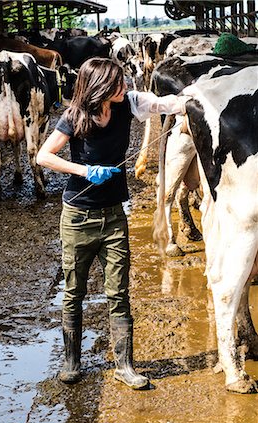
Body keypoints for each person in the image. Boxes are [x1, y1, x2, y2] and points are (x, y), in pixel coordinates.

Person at [37, 57, 188, 390]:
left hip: (114, 217)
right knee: (73, 291)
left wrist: (190, 99)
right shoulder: (74, 117)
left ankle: (125, 366)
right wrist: (84, 171)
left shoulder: (129, 104)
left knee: (119, 292)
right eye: (118, 82)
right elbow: (43, 156)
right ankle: (72, 362)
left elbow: (164, 103)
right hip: (77, 217)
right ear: (101, 86)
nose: (125, 86)